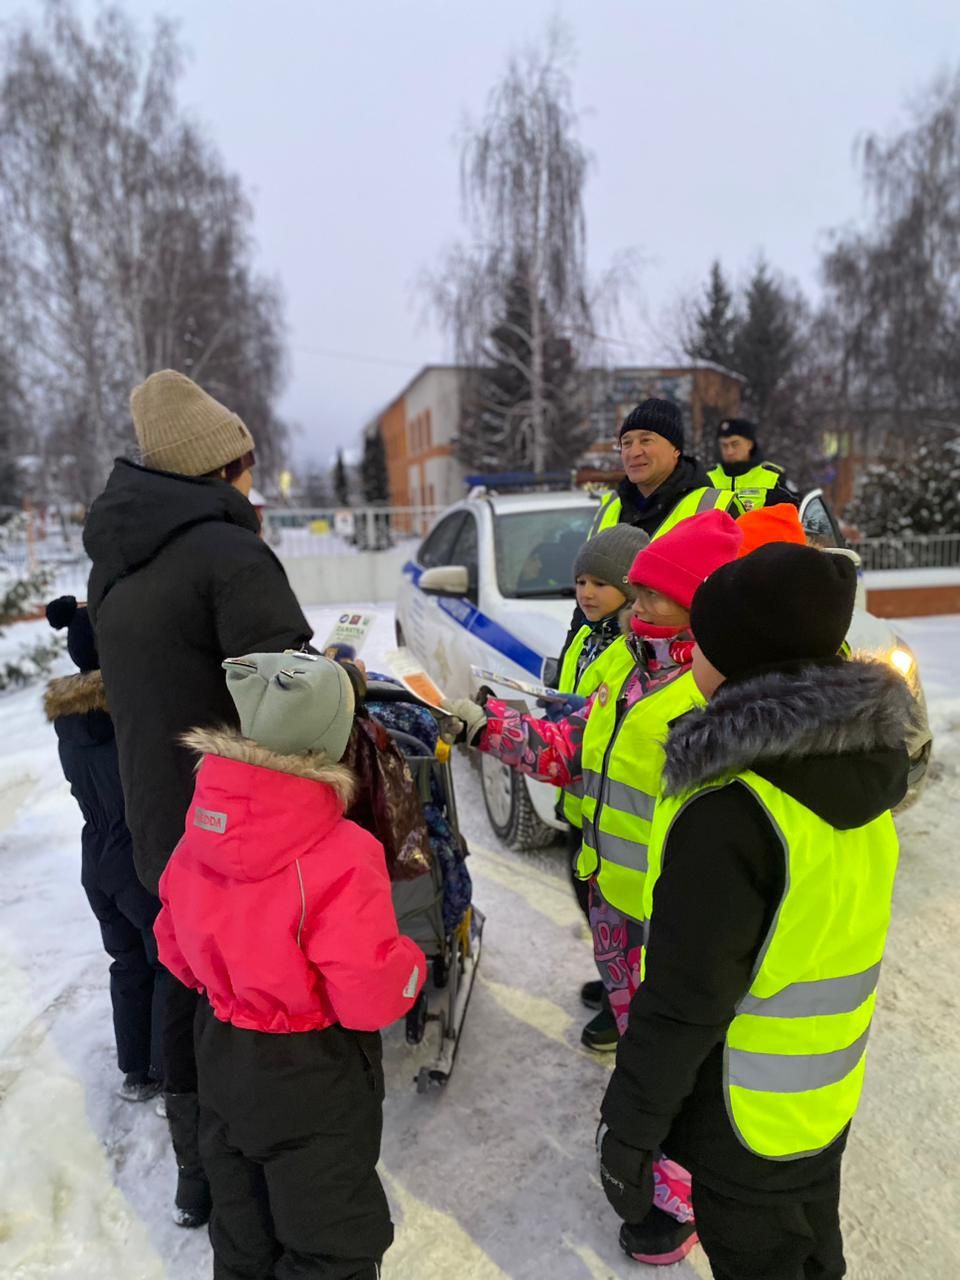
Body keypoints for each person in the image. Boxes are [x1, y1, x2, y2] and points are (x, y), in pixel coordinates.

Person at [598, 543, 917, 1277]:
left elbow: (685, 1000)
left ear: (737, 660)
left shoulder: (731, 812)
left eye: (699, 645)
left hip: (740, 1112)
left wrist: (629, 1128)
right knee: (811, 1252)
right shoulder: (861, 768)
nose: (687, 661)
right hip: (820, 1098)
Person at [443, 509, 743, 1266]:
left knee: (680, 1063)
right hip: (613, 899)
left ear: (701, 602)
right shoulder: (624, 663)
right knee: (640, 1045)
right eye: (633, 593)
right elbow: (572, 748)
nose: (634, 608)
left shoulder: (717, 693)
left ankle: (677, 1200)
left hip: (679, 926)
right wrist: (487, 729)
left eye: (652, 597)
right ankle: (652, 1150)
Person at [83, 369, 313, 1229]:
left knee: (184, 982)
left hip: (157, 812)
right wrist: (341, 684)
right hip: (234, 819)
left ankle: (196, 1178)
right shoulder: (227, 554)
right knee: (248, 1000)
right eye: (248, 465)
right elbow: (289, 699)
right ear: (223, 468)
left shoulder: (117, 564)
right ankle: (250, 1177)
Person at [155, 651, 425, 1280]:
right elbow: (365, 992)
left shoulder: (201, 828)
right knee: (329, 1239)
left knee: (242, 1227)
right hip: (312, 1072)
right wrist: (408, 966)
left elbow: (172, 942)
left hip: (221, 1050)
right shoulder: (344, 850)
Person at [44, 596, 165, 1104]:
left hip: (95, 857)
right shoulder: (129, 716)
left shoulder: (70, 722)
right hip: (137, 858)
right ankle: (168, 1074)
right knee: (165, 967)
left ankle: (135, 1072)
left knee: (126, 963)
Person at [556, 526, 649, 1050]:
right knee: (588, 898)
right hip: (579, 796)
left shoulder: (634, 647)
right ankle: (618, 984)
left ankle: (627, 1011)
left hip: (614, 808)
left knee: (620, 913)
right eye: (581, 582)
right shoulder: (587, 634)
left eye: (600, 583)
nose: (587, 592)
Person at [707, 417, 796, 511]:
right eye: (724, 445)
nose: (729, 451)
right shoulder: (708, 477)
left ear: (749, 444)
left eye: (735, 444)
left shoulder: (773, 476)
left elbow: (789, 515)